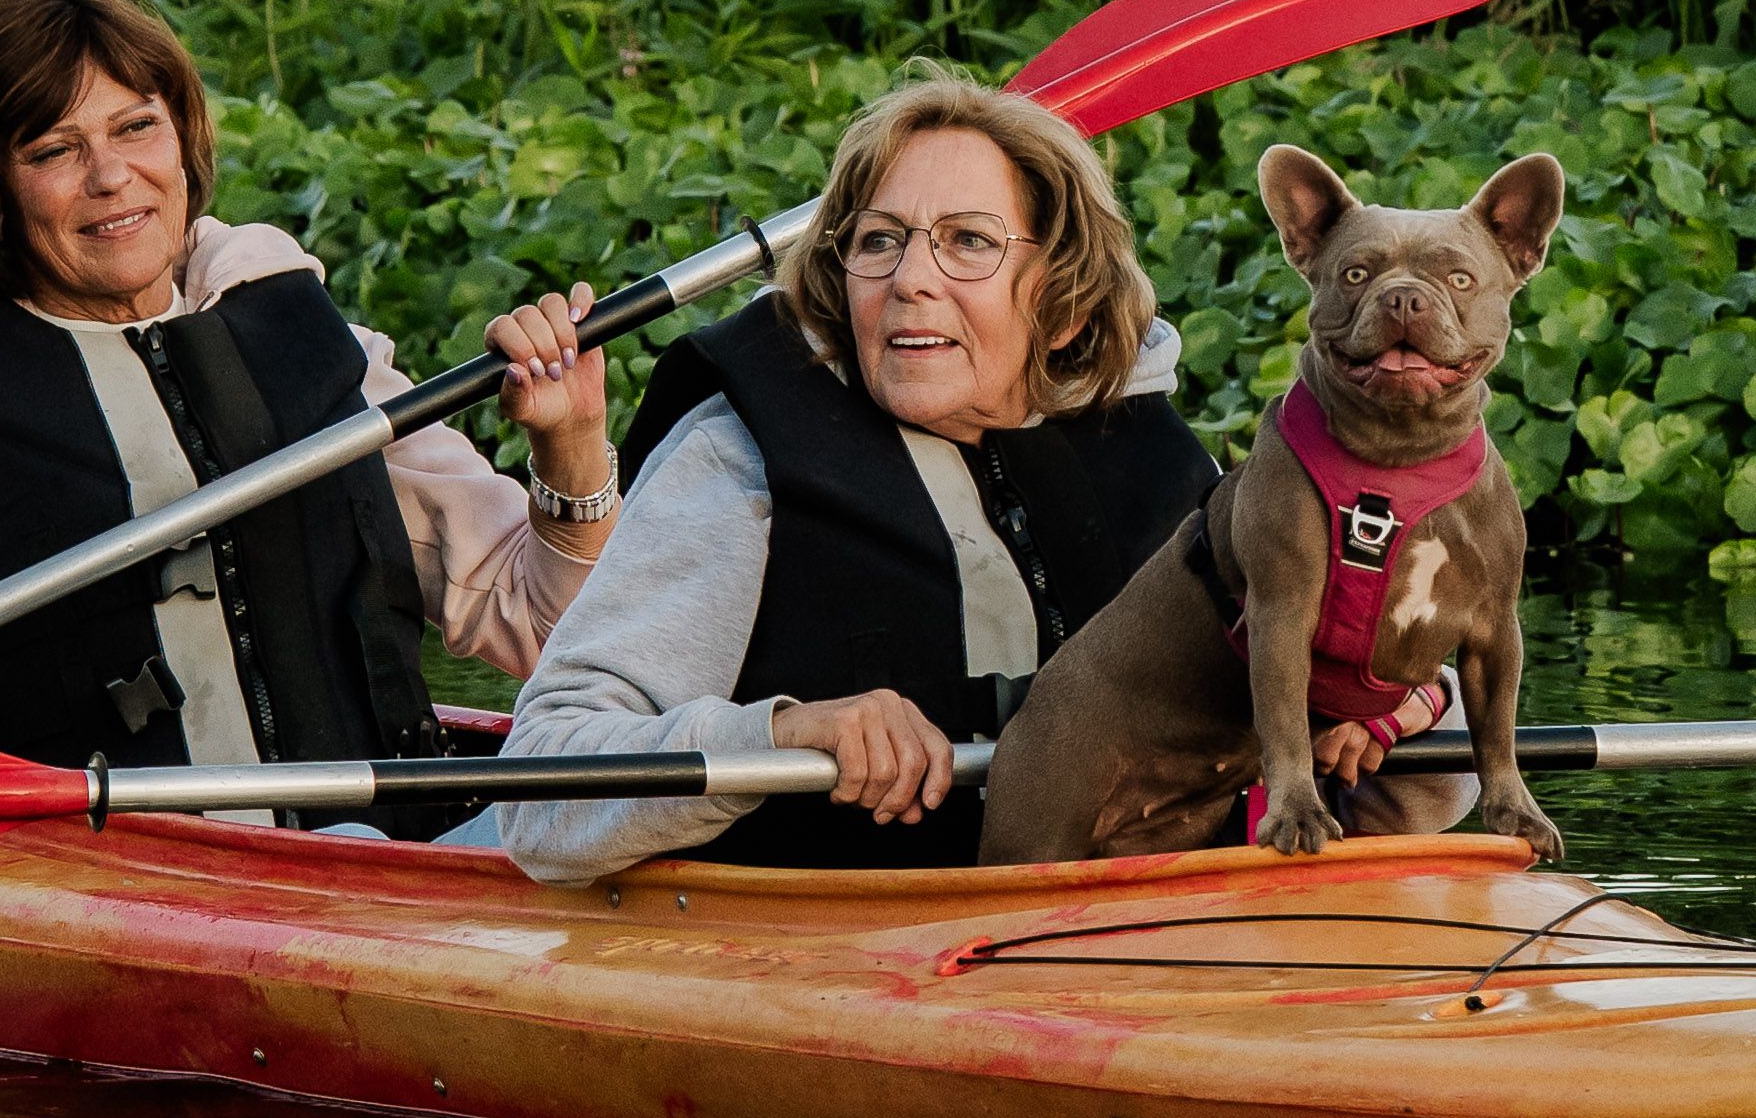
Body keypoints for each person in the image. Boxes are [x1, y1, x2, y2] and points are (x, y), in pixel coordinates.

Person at [0, 0, 619, 775]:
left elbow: (547, 633)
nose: (111, 176)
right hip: (91, 874)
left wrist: (571, 446)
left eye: (135, 128)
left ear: (182, 138)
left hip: (376, 850)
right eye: (53, 150)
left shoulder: (318, 348)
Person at [473, 72, 1218, 871]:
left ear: (1062, 303)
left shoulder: (1170, 472)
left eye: (968, 241)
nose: (910, 279)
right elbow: (540, 798)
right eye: (879, 241)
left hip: (1160, 919)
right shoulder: (740, 465)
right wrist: (778, 732)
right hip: (817, 930)